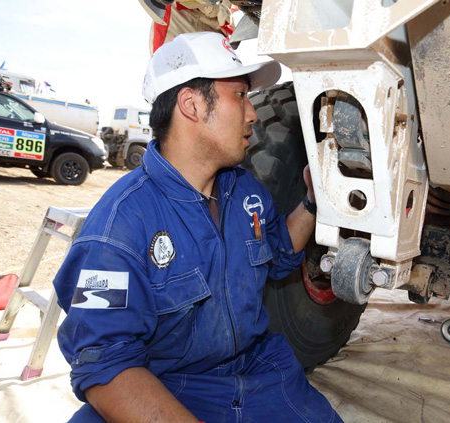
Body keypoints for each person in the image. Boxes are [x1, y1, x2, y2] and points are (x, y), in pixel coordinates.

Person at [53, 31, 343, 423]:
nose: (253, 113)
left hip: (261, 376)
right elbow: (105, 367)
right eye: (240, 96)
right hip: (169, 386)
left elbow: (279, 254)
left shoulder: (244, 192)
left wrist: (311, 200)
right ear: (190, 105)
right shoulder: (119, 227)